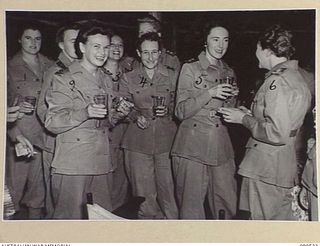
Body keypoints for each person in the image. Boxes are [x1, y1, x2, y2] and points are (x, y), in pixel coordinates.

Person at [219, 24, 311, 220]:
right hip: (280, 165)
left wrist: (242, 119)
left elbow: (276, 132)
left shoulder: (276, 82)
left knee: (260, 229)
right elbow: (285, 122)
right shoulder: (296, 77)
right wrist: (249, 114)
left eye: (258, 48)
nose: (256, 54)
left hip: (265, 169)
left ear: (268, 51)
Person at [45, 23, 130, 219]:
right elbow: (52, 122)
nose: (103, 53)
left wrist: (118, 113)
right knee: (70, 224)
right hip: (74, 164)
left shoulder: (105, 79)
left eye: (106, 47)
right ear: (82, 47)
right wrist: (85, 112)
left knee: (101, 222)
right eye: (96, 46)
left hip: (101, 162)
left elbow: (104, 123)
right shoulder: (64, 78)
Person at [171, 22, 238, 219]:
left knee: (227, 205)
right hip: (192, 146)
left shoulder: (228, 71)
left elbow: (228, 112)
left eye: (225, 40)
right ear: (205, 41)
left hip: (221, 146)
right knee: (191, 209)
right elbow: (180, 111)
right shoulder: (190, 68)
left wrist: (233, 98)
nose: (221, 45)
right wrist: (210, 92)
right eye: (215, 39)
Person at [121, 32, 178, 219]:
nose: (151, 57)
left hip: (166, 141)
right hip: (138, 142)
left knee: (169, 192)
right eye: (146, 53)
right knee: (144, 196)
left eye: (154, 52)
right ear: (138, 53)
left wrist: (169, 111)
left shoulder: (172, 76)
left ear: (160, 52)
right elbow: (121, 105)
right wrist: (135, 115)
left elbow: (181, 105)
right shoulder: (128, 77)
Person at [7, 23, 53, 219]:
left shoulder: (50, 65)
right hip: (18, 133)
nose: (33, 43)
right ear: (19, 39)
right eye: (28, 38)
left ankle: (34, 230)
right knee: (12, 188)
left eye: (38, 38)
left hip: (43, 134)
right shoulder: (8, 66)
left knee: (38, 190)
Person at [37, 22, 80, 218]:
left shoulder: (83, 69)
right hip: (56, 144)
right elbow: (42, 109)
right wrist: (64, 125)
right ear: (61, 45)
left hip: (78, 144)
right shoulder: (55, 72)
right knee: (57, 202)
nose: (78, 44)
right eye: (73, 41)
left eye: (81, 40)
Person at [103, 33, 131, 210]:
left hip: (126, 130)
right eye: (112, 45)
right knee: (106, 174)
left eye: (120, 45)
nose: (116, 48)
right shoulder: (97, 72)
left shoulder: (128, 73)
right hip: (106, 130)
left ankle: (117, 213)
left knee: (122, 174)